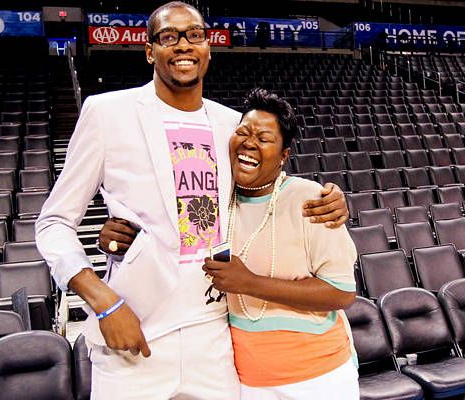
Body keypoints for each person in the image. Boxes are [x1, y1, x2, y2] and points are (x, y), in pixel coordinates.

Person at [36, 2, 349, 399]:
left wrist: (332, 198)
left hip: (213, 332)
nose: (183, 45)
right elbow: (53, 224)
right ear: (150, 51)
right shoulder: (105, 113)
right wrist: (103, 302)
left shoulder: (230, 123)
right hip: (135, 329)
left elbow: (267, 185)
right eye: (169, 37)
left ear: (208, 47)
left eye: (194, 35)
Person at [102, 89, 359, 399]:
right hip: (248, 379)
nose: (250, 143)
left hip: (320, 376)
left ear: (284, 155)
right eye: (243, 132)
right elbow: (162, 233)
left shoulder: (310, 199)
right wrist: (117, 238)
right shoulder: (216, 198)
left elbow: (342, 292)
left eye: (264, 139)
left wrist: (250, 283)